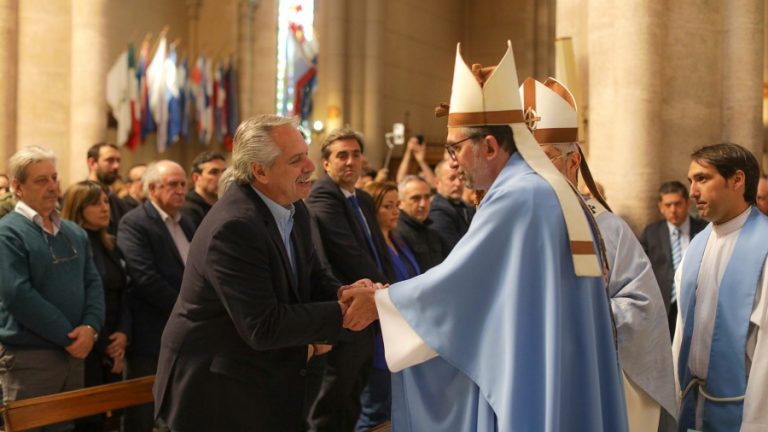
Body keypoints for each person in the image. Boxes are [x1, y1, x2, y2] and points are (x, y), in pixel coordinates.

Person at [341, 41, 627, 431]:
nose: (452, 161)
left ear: (490, 145)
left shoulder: (516, 197)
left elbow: (459, 287)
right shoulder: (537, 189)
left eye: (456, 147)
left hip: (536, 373)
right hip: (556, 371)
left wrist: (382, 302)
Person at [154, 115, 368, 431]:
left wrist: (343, 293)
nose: (310, 166)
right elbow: (262, 325)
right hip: (215, 391)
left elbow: (312, 277)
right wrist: (344, 312)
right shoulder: (236, 226)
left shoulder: (294, 207)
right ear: (260, 170)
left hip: (257, 378)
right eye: (296, 160)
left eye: (306, 154)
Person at [521, 76, 676, 431]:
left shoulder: (608, 230)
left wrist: (589, 310)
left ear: (572, 161)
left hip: (591, 380)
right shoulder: (510, 226)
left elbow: (642, 307)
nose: (531, 173)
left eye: (543, 159)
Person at [0, 146, 105, 432]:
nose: (52, 186)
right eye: (41, 180)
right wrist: (69, 336)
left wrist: (90, 328)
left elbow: (93, 283)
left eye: (54, 178)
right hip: (30, 356)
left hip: (73, 354)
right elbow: (17, 295)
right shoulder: (7, 233)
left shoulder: (74, 232)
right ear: (17, 187)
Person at [673, 143, 768, 431]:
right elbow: (681, 330)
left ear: (737, 180)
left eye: (702, 178)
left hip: (744, 411)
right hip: (694, 403)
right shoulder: (697, 246)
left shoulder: (764, 247)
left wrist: (755, 424)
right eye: (691, 181)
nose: (692, 192)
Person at [305, 128, 395, 432]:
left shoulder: (364, 199)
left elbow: (379, 253)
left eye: (356, 154)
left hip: (370, 312)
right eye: (341, 155)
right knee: (331, 403)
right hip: (346, 313)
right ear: (326, 163)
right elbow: (350, 255)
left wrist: (388, 290)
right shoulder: (323, 196)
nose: (350, 161)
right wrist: (389, 292)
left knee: (354, 396)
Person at [117, 160, 193, 432]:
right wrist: (188, 310)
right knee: (143, 413)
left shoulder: (187, 222)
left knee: (180, 411)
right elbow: (145, 278)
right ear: (151, 188)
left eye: (184, 184)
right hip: (151, 332)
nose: (181, 190)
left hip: (187, 333)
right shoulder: (135, 223)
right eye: (173, 184)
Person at [61, 181, 130, 432]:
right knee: (87, 422)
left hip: (113, 342)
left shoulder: (111, 244)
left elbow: (124, 292)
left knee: (110, 420)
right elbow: (83, 298)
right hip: (88, 347)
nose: (105, 208)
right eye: (95, 203)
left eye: (105, 202)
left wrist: (123, 334)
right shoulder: (72, 246)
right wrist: (104, 345)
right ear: (79, 209)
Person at [356, 181, 421, 431]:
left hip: (404, 337)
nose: (396, 211)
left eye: (397, 205)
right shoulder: (372, 247)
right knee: (374, 412)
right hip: (381, 339)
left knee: (393, 412)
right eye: (388, 206)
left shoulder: (400, 240)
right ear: (373, 211)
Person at [640, 181, 707, 336]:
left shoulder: (704, 230)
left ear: (687, 203)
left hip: (697, 306)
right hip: (663, 308)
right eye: (668, 205)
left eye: (677, 204)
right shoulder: (651, 233)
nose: (673, 210)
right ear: (661, 207)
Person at [394, 175, 446, 271]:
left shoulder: (432, 233)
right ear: (400, 202)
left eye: (427, 197)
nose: (423, 204)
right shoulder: (396, 234)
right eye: (415, 198)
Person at [429, 161, 474, 252]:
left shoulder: (465, 207)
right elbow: (454, 250)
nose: (458, 184)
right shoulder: (437, 211)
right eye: (452, 178)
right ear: (437, 182)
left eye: (461, 178)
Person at [86, 143, 130, 235]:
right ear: (92, 163)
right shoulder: (78, 196)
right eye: (110, 160)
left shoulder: (119, 203)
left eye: (118, 161)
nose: (116, 166)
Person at [180, 151, 226, 230]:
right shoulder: (187, 210)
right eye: (214, 172)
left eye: (224, 172)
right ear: (196, 178)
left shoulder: (225, 204)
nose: (222, 177)